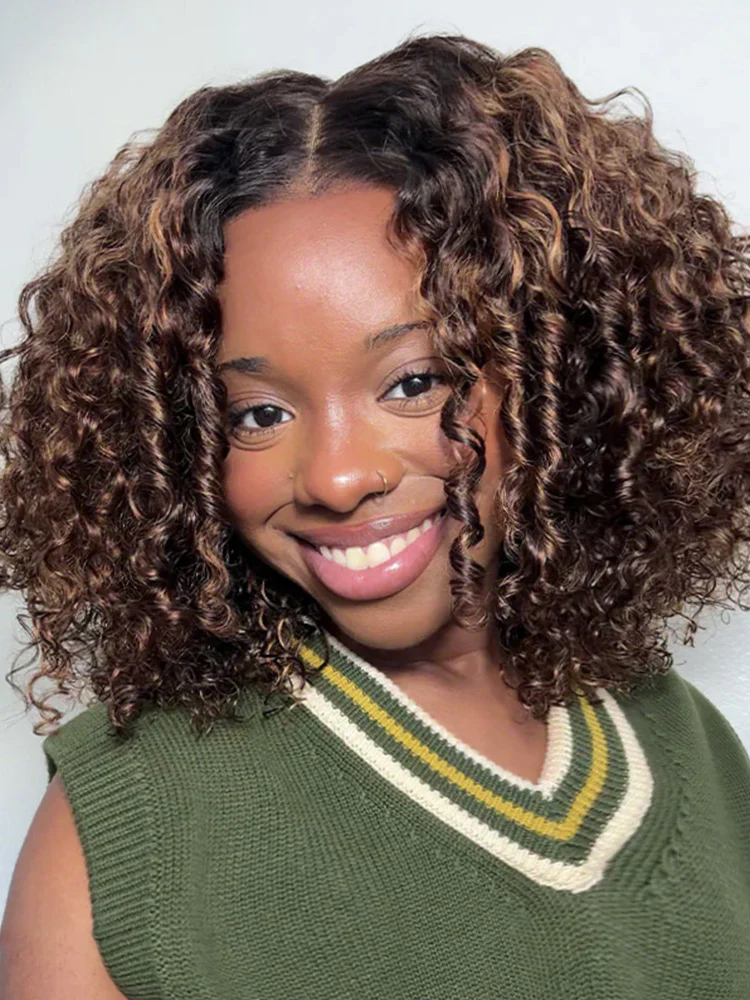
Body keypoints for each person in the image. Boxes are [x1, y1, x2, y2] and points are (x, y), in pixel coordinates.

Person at [1, 30, 750, 1000]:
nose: (339, 476)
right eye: (257, 414)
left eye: (412, 381)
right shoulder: (129, 824)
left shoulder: (686, 744)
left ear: (559, 374)